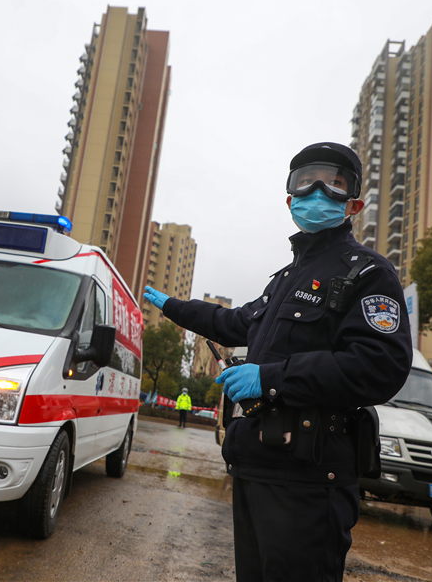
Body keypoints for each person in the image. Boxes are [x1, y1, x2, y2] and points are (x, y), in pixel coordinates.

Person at [144, 142, 412, 582]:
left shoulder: (366, 273)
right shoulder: (286, 279)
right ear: (290, 199)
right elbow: (231, 321)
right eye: (305, 182)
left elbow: (380, 365)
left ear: (354, 203)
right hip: (256, 464)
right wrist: (173, 306)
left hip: (308, 477)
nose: (317, 191)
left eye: (332, 183)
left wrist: (270, 378)